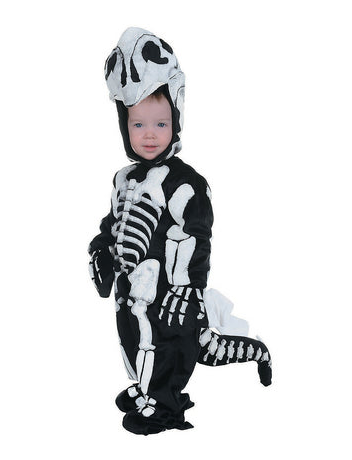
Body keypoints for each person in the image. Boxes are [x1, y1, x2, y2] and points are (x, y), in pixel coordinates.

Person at [88, 27, 272, 436]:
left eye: (160, 122)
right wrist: (101, 248)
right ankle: (146, 388)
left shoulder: (186, 183)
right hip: (132, 287)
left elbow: (199, 237)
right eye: (138, 124)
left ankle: (165, 404)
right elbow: (111, 224)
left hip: (174, 296)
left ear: (176, 120)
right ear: (124, 127)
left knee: (166, 343)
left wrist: (189, 289)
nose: (149, 133)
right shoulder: (123, 179)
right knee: (131, 334)